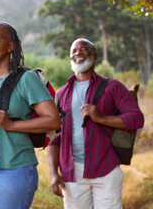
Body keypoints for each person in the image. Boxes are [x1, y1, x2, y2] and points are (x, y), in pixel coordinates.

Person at [0, 21, 61, 209]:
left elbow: (53, 120)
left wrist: (11, 125)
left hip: (14, 170)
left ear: (10, 46)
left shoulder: (26, 79)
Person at [47, 38, 144, 209]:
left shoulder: (112, 87)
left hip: (105, 168)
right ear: (70, 58)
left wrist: (101, 119)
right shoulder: (61, 94)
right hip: (72, 173)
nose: (78, 53)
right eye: (74, 51)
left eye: (83, 49)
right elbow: (54, 137)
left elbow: (137, 118)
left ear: (95, 55)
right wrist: (54, 173)